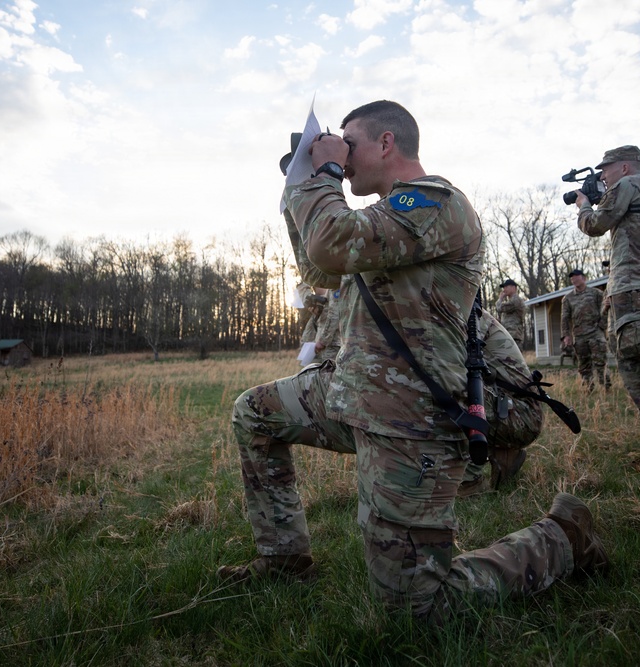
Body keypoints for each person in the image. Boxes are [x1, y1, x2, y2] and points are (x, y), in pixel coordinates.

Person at [221, 100, 607, 619]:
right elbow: (321, 270)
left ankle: (563, 537)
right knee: (255, 412)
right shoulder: (384, 222)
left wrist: (327, 173)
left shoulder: (434, 201)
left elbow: (332, 242)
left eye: (348, 142)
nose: (343, 154)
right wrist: (300, 183)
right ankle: (284, 557)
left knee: (416, 610)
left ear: (386, 143)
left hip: (412, 415)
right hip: (353, 393)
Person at [574, 145, 640, 470]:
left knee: (638, 367)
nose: (603, 176)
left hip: (634, 291)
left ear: (623, 168)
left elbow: (595, 224)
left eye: (606, 169)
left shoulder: (627, 185)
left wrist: (582, 206)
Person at [458, 309, 544, 497]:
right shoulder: (460, 306)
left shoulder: (462, 313)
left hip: (521, 414)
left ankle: (469, 481)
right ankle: (505, 456)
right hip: (512, 409)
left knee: (447, 391)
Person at [560, 269, 610, 391]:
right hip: (579, 335)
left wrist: (601, 327)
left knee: (600, 362)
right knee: (584, 364)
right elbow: (565, 318)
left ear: (584, 278)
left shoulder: (597, 293)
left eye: (576, 276)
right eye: (572, 278)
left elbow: (606, 309)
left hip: (595, 333)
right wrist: (566, 336)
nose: (574, 279)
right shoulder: (568, 298)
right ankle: (589, 388)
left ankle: (606, 388)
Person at [313, 280, 342, 363]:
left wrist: (323, 341)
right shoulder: (331, 287)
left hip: (332, 344)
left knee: (329, 372)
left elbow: (334, 315)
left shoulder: (335, 286)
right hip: (329, 343)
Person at [495, 279, 526, 348]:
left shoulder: (516, 300)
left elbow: (499, 308)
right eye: (504, 287)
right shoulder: (511, 300)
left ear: (513, 288)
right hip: (509, 336)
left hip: (514, 336)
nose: (504, 289)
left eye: (506, 287)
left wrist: (500, 299)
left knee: (514, 358)